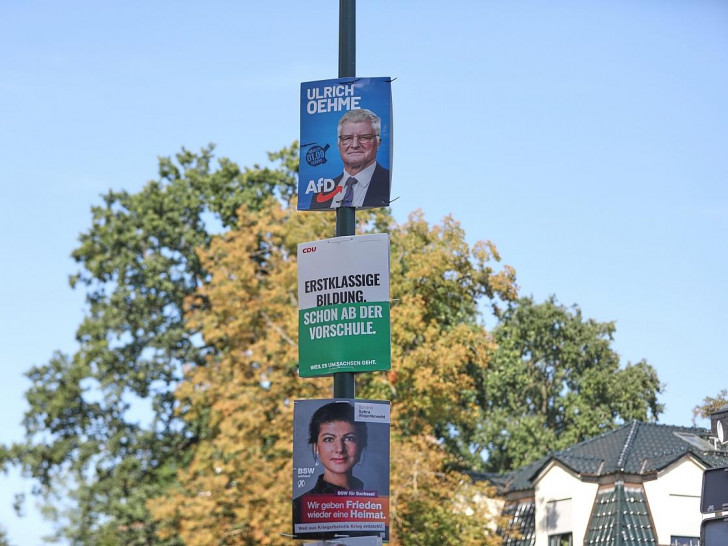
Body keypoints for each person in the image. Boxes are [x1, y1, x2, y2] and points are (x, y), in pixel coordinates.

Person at [310, 108, 391, 210]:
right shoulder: (321, 191)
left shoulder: (388, 182)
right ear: (338, 144)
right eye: (347, 138)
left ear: (378, 142)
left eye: (364, 137)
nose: (355, 145)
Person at [300, 401, 368, 494]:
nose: (340, 449)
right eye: (329, 439)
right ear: (316, 447)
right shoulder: (303, 505)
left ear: (361, 444)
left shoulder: (374, 504)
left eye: (349, 438)